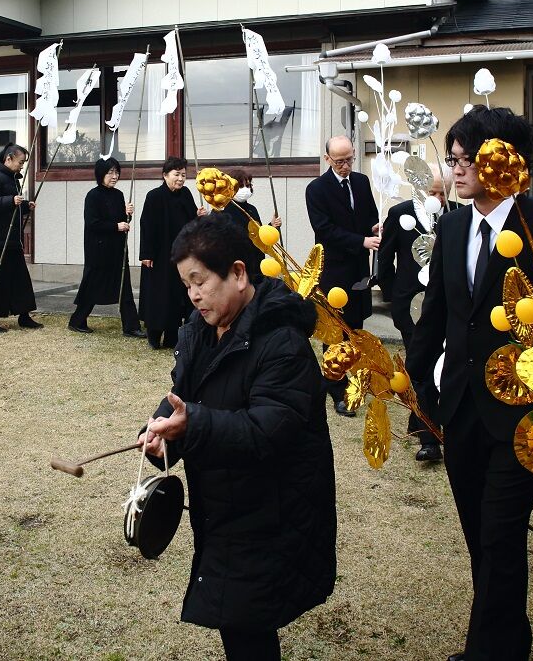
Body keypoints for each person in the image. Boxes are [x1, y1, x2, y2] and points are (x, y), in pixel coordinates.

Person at [407, 105, 533, 661]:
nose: (456, 169)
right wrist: (419, 390)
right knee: (480, 533)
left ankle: (488, 651)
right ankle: (508, 639)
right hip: (461, 407)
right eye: (453, 159)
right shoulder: (453, 226)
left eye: (467, 159)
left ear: (505, 161)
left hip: (524, 413)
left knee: (500, 534)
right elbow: (438, 313)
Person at [138, 214, 336, 661]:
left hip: (270, 511)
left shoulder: (282, 342)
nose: (193, 295)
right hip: (226, 504)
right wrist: (161, 432)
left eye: (200, 281)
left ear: (239, 273)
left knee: (247, 625)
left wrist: (192, 426)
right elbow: (183, 397)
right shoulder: (201, 330)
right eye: (186, 284)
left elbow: (268, 430)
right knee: (239, 621)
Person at [305, 135, 380, 417]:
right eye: (339, 161)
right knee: (336, 330)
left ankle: (356, 379)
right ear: (327, 159)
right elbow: (324, 229)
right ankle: (336, 388)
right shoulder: (316, 189)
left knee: (356, 327)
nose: (346, 166)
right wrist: (361, 241)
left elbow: (369, 216)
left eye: (349, 159)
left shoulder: (361, 181)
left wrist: (375, 228)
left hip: (359, 268)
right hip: (334, 271)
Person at [378, 167, 447, 462]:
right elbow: (385, 258)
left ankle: (418, 419)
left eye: (442, 193)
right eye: (432, 192)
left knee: (438, 365)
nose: (437, 199)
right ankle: (430, 439)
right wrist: (393, 296)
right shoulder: (400, 214)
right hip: (410, 304)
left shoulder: (455, 214)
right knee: (420, 366)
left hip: (444, 304)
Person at [69, 157, 143, 336]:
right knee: (92, 286)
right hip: (98, 250)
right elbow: (92, 223)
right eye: (110, 172)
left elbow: (122, 222)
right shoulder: (93, 196)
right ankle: (77, 320)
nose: (114, 176)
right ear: (100, 174)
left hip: (117, 249)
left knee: (124, 286)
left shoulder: (118, 195)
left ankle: (131, 326)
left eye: (117, 172)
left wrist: (127, 215)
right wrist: (116, 226)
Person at [139, 156, 202, 349]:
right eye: (177, 174)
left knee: (177, 295)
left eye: (183, 175)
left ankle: (172, 337)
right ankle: (154, 334)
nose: (181, 179)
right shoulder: (154, 196)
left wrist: (199, 216)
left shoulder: (186, 194)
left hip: (181, 255)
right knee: (159, 295)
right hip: (159, 255)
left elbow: (192, 222)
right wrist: (146, 253)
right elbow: (146, 225)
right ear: (165, 175)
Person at [0, 143, 41, 333]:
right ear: (8, 158)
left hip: (12, 237)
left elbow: (11, 207)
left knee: (20, 278)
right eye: (20, 162)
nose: (22, 166)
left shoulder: (12, 178)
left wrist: (25, 206)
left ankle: (24, 314)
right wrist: (11, 200)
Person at [219, 166, 281, 280]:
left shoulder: (252, 209)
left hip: (257, 265)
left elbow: (257, 235)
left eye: (248, 186)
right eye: (240, 186)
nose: (245, 189)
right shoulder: (223, 211)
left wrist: (271, 226)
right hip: (236, 268)